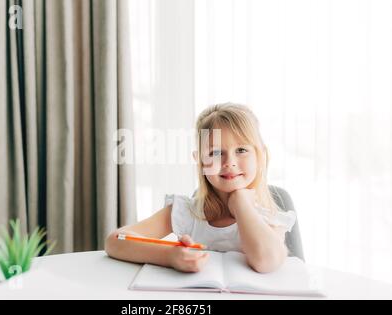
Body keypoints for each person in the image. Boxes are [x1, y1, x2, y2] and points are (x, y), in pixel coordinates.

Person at [105, 102, 296, 273]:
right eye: (215, 152)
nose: (229, 162)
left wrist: (241, 204)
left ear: (260, 156)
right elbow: (116, 241)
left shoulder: (268, 218)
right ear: (200, 161)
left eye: (241, 150)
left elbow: (267, 261)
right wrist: (170, 255)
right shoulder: (187, 213)